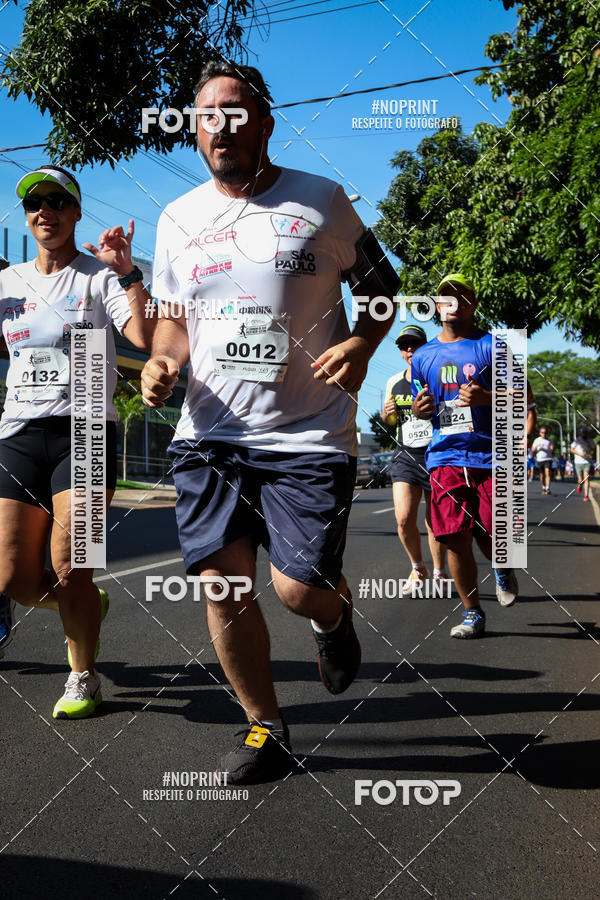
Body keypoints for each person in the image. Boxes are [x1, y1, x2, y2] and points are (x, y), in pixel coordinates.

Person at [141, 62, 398, 784]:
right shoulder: (178, 219)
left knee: (297, 588)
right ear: (193, 130)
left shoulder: (321, 201)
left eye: (234, 111)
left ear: (264, 122)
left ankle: (333, 617)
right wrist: (163, 363)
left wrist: (361, 342)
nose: (219, 126)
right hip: (211, 434)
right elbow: (170, 325)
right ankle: (267, 730)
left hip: (308, 434)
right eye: (206, 115)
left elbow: (383, 286)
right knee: (224, 587)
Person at [0, 165, 155, 717]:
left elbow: (141, 335)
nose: (45, 210)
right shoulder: (8, 283)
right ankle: (85, 603)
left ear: (75, 212)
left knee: (71, 565)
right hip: (18, 433)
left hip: (86, 430)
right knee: (14, 579)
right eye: (35, 202)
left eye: (57, 201)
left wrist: (130, 272)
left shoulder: (98, 277)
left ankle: (82, 676)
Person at [411, 273, 537, 639]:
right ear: (438, 306)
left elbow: (524, 400)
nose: (452, 302)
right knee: (454, 536)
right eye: (445, 297)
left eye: (460, 296)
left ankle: (503, 566)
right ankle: (473, 613)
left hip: (490, 454)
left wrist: (485, 398)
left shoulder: (494, 346)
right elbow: (423, 407)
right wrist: (419, 411)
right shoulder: (422, 356)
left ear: (473, 304)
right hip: (444, 456)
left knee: (494, 531)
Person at [382, 324, 448, 595]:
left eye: (414, 344)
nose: (409, 350)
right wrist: (388, 414)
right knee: (403, 518)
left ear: (425, 347)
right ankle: (417, 566)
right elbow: (390, 420)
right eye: (404, 346)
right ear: (400, 352)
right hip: (405, 454)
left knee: (435, 522)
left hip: (435, 454)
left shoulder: (438, 377)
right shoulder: (393, 381)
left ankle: (440, 571)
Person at [571, 427, 595, 502]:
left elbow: (594, 449)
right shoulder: (577, 440)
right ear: (581, 433)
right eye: (583, 432)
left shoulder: (590, 440)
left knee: (586, 478)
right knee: (580, 479)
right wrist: (579, 453)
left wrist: (592, 455)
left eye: (586, 432)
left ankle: (586, 496)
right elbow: (571, 449)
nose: (584, 433)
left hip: (587, 462)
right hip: (578, 462)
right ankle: (580, 485)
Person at [531, 426, 554, 494]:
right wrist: (537, 446)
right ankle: (543, 486)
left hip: (548, 458)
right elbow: (532, 450)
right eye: (542, 432)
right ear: (540, 433)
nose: (544, 434)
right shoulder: (537, 440)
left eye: (545, 432)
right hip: (540, 459)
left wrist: (551, 447)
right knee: (542, 474)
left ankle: (548, 488)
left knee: (548, 473)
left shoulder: (549, 440)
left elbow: (552, 447)